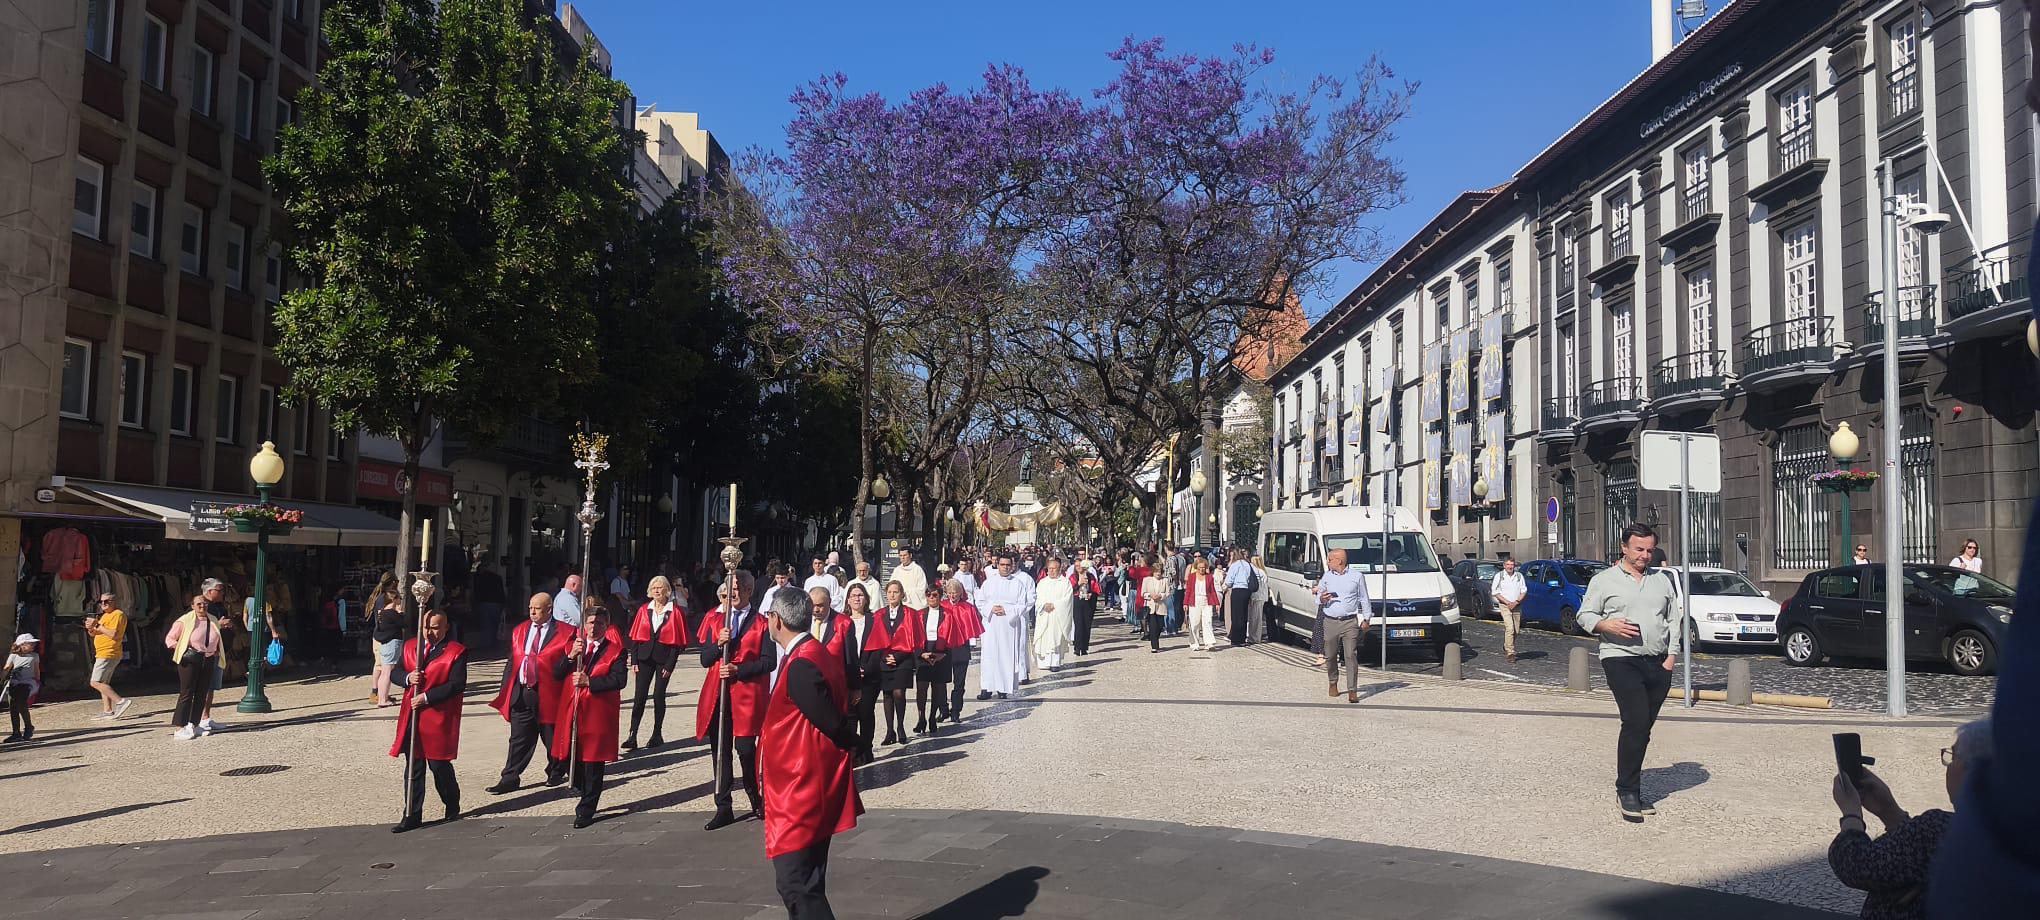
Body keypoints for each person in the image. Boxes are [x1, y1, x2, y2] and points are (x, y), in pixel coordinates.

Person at [758, 584, 862, 919]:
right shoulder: (814, 652)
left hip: (801, 786)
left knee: (795, 884)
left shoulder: (802, 663)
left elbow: (831, 722)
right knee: (807, 881)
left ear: (777, 620)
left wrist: (854, 743)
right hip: (809, 781)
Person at [1576, 522, 1682, 821]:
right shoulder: (1604, 580)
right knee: (1635, 720)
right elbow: (1585, 614)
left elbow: (1674, 619)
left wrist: (1671, 657)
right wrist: (1605, 625)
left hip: (1658, 662)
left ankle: (1631, 784)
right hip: (1620, 658)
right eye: (1639, 549)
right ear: (1624, 547)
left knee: (1643, 727)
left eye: (1650, 550)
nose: (1645, 555)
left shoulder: (1661, 581)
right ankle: (1627, 791)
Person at [1830, 719, 1987, 919]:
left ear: (1974, 771)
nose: (1947, 765)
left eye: (1953, 756)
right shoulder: (2009, 832)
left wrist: (1851, 815)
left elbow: (1856, 864)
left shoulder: (1938, 830)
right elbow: (1913, 858)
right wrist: (1889, 811)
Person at [698, 570, 773, 831]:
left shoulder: (762, 622)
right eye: (729, 592)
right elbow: (705, 658)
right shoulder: (714, 619)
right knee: (720, 752)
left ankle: (755, 796)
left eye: (738, 590)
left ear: (750, 591)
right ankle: (723, 804)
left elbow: (768, 661)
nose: (733, 595)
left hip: (746, 696)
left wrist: (740, 670)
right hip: (718, 694)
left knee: (745, 749)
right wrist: (718, 644)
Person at [549, 604, 626, 828]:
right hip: (572, 710)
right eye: (591, 623)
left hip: (597, 713)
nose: (594, 628)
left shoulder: (616, 651)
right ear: (584, 625)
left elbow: (618, 680)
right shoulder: (573, 647)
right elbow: (557, 673)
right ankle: (583, 789)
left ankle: (586, 809)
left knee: (593, 761)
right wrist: (571, 656)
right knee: (571, 756)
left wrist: (590, 682)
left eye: (599, 624)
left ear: (606, 626)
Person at [390, 611, 467, 833]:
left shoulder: (455, 652)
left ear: (445, 628)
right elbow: (395, 672)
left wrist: (426, 697)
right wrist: (407, 678)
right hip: (412, 715)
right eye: (426, 627)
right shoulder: (410, 646)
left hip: (437, 715)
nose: (429, 632)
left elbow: (457, 684)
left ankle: (451, 802)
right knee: (413, 765)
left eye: (435, 627)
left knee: (438, 765)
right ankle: (411, 813)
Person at [486, 593, 570, 794]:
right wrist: (506, 688)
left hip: (548, 691)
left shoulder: (566, 632)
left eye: (537, 608)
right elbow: (513, 660)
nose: (532, 611)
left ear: (549, 609)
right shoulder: (520, 630)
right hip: (523, 691)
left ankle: (556, 770)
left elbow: (567, 664)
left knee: (551, 735)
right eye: (530, 607)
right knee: (519, 737)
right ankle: (510, 777)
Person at [624, 575, 689, 752]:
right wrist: (634, 660)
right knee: (639, 697)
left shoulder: (675, 611)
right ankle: (632, 734)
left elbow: (678, 643)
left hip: (663, 659)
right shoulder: (644, 609)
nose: (657, 590)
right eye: (654, 588)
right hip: (644, 657)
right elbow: (636, 638)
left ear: (667, 589)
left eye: (660, 587)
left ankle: (657, 733)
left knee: (659, 695)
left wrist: (670, 665)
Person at [864, 582, 918, 744]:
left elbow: (915, 639)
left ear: (902, 594)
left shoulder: (910, 614)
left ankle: (900, 726)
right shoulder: (879, 614)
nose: (892, 595)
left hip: (904, 659)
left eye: (896, 592)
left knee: (898, 693)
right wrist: (883, 656)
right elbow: (874, 639)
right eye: (890, 592)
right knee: (887, 694)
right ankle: (890, 731)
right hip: (884, 658)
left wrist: (899, 657)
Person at [1315, 549, 1372, 702]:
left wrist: (1367, 618)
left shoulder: (1357, 576)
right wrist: (1322, 598)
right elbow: (1317, 598)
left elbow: (1364, 598)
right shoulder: (1327, 576)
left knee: (1350, 655)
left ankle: (1352, 690)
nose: (1327, 562)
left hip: (1350, 622)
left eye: (1329, 559)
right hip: (1330, 621)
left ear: (1339, 561)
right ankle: (1333, 682)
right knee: (1331, 655)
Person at [974, 554, 1033, 698]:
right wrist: (991, 609)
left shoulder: (1018, 584)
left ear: (1012, 566)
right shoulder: (989, 583)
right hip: (991, 623)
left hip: (1009, 624)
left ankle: (1003, 688)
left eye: (1008, 565)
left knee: (1006, 655)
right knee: (989, 654)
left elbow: (1022, 604)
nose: (1005, 567)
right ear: (998, 565)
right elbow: (980, 601)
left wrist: (1007, 610)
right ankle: (986, 688)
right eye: (1002, 565)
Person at [164, 595, 221, 740]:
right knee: (187, 693)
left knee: (202, 692)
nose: (202, 606)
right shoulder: (184, 621)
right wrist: (182, 648)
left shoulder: (212, 619)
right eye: (199, 604)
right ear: (193, 605)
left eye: (205, 604)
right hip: (190, 659)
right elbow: (169, 639)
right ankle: (180, 727)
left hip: (207, 658)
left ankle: (194, 724)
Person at [913, 586, 966, 734]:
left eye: (934, 595)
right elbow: (914, 636)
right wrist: (921, 653)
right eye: (929, 595)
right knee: (921, 688)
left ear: (940, 597)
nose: (931, 598)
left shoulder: (947, 615)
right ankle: (921, 718)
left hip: (941, 651)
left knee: (937, 689)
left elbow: (952, 636)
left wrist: (941, 655)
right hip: (923, 651)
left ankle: (932, 718)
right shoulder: (919, 614)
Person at [839, 583, 878, 764]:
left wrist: (865, 668)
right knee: (850, 714)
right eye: (853, 595)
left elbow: (879, 647)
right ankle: (853, 750)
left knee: (866, 713)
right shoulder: (841, 621)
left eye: (860, 595)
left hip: (868, 675)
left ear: (866, 599)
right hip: (847, 674)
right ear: (848, 600)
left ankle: (867, 748)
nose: (857, 598)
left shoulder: (873, 620)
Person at [940, 579, 982, 723]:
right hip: (944, 648)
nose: (953, 596)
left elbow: (973, 626)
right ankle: (943, 709)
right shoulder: (941, 606)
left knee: (959, 682)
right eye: (950, 593)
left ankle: (956, 710)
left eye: (955, 593)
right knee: (941, 681)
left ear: (960, 593)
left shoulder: (967, 608)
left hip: (961, 648)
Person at [86, 593, 133, 719]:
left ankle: (120, 701)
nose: (103, 604)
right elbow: (96, 633)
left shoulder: (118, 614)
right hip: (103, 652)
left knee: (95, 682)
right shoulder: (105, 616)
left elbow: (114, 634)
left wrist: (97, 625)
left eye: (107, 601)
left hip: (108, 652)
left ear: (114, 601)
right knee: (103, 683)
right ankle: (108, 710)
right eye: (101, 602)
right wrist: (91, 628)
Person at [1033, 558, 1075, 671]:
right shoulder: (1042, 582)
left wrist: (1055, 605)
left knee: (1056, 637)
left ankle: (1055, 663)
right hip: (1044, 615)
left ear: (1059, 569)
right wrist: (1043, 605)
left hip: (1057, 615)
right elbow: (1038, 598)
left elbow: (1067, 599)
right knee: (1044, 637)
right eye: (1049, 568)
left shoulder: (1065, 582)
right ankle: (1043, 662)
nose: (1051, 571)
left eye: (1054, 569)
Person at [370, 575, 406, 708]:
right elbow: (403, 622)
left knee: (383, 668)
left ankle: (381, 694)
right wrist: (400, 613)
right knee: (384, 669)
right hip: (386, 640)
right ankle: (379, 695)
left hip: (382, 638)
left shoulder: (383, 605)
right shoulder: (387, 608)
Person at [3, 634, 41, 743]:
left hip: (27, 684)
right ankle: (16, 732)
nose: (33, 645)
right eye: (30, 643)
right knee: (13, 708)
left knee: (22, 705)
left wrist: (37, 683)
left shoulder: (34, 656)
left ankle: (28, 727)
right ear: (22, 645)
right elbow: (6, 668)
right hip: (14, 683)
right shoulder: (13, 656)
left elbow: (36, 671)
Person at [1490, 558, 1528, 663]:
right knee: (1510, 628)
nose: (1510, 567)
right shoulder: (1499, 576)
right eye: (1508, 564)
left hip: (1516, 605)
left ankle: (1506, 645)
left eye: (1512, 565)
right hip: (1504, 605)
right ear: (1504, 565)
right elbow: (1495, 592)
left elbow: (1524, 591)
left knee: (1516, 630)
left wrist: (1516, 602)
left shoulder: (1519, 576)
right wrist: (1507, 603)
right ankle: (1510, 652)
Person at [1183, 556, 1222, 652]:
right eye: (1200, 567)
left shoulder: (1209, 577)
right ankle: (1194, 643)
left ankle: (1209, 643)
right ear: (1196, 567)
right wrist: (1185, 603)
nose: (1202, 569)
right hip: (1194, 601)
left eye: (1203, 567)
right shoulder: (1192, 577)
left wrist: (1216, 603)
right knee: (1195, 623)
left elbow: (1212, 591)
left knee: (1207, 621)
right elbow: (1188, 591)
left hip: (1206, 601)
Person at [1223, 549, 1256, 647]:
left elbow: (1229, 581)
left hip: (1237, 590)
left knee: (1236, 615)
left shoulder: (1235, 565)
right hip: (1246, 591)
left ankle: (1236, 638)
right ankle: (1242, 638)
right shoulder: (1247, 565)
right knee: (1243, 614)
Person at [1069, 556, 1101, 657]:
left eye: (1080, 565)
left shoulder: (1090, 576)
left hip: (1088, 601)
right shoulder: (1073, 577)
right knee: (1079, 624)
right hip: (1077, 601)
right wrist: (1078, 584)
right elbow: (1069, 589)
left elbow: (1097, 589)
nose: (1078, 567)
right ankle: (1077, 647)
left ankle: (1085, 647)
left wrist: (1092, 593)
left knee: (1087, 624)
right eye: (1076, 565)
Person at [1139, 564, 1170, 653]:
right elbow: (1143, 593)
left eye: (1160, 571)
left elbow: (1168, 593)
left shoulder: (1165, 581)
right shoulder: (1147, 580)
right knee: (1152, 626)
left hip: (1161, 606)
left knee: (1160, 626)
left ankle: (1154, 638)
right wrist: (1150, 595)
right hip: (1151, 606)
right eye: (1156, 571)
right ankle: (1154, 646)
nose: (1158, 573)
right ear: (1153, 571)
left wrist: (1160, 595)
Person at [893, 547, 929, 613]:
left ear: (910, 555)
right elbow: (891, 586)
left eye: (905, 555)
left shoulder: (917, 570)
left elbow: (922, 589)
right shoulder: (897, 570)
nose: (902, 558)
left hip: (914, 606)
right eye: (900, 556)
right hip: (900, 605)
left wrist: (906, 594)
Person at [1251, 554, 1275, 642]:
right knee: (1256, 617)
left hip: (1257, 596)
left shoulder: (1258, 572)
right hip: (1260, 596)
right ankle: (1254, 636)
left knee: (1256, 618)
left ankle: (1255, 637)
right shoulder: (1263, 572)